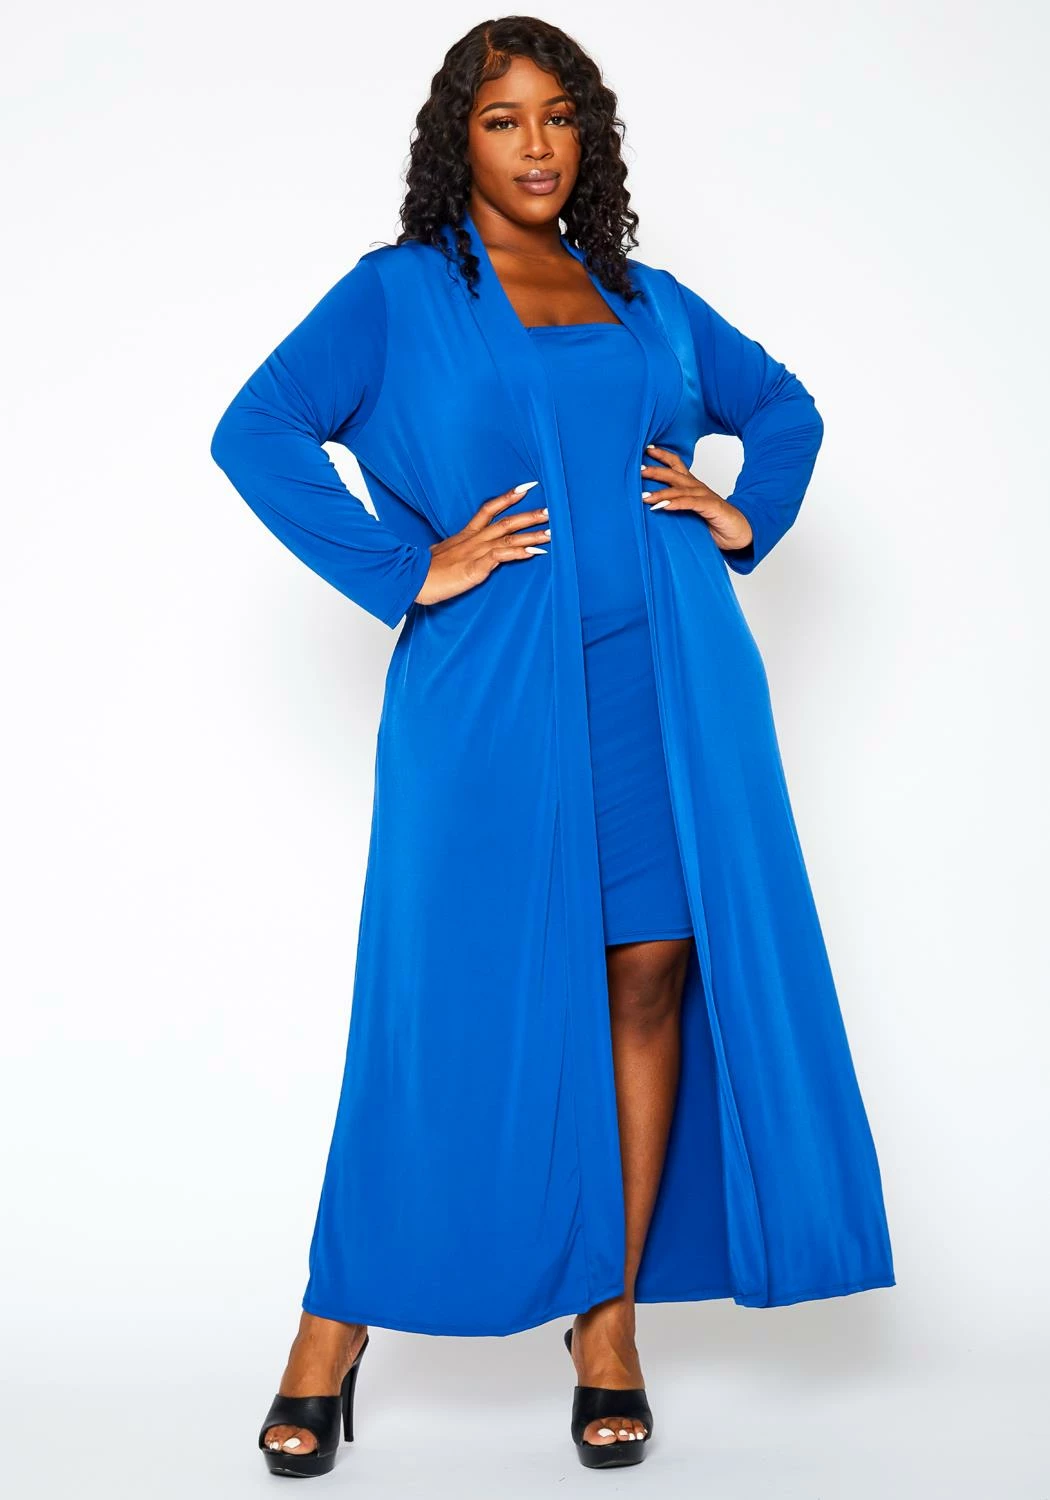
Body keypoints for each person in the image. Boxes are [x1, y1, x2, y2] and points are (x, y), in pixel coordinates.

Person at [210, 16, 895, 1477]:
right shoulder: (399, 293)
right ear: (455, 139)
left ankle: (608, 1324)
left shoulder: (644, 299)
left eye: (560, 116)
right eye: (503, 118)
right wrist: (408, 566)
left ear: (591, 134)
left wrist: (741, 512)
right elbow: (256, 429)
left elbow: (781, 407)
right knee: (446, 1001)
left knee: (649, 975)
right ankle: (331, 1330)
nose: (536, 145)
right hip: (491, 695)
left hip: (669, 687)